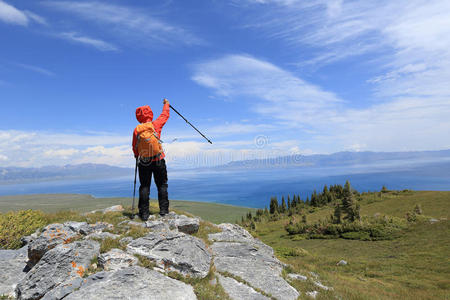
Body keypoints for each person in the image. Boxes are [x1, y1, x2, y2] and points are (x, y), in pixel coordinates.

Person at [132, 99, 170, 220]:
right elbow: (165, 115)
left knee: (144, 186)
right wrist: (166, 104)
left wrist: (136, 155)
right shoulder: (156, 125)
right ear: (150, 113)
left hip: (144, 161)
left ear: (138, 116)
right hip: (158, 159)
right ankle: (163, 211)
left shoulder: (137, 130)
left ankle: (144, 213)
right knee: (162, 185)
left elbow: (134, 146)